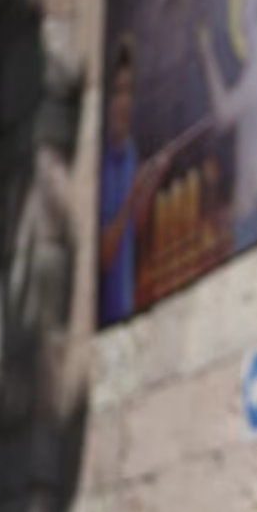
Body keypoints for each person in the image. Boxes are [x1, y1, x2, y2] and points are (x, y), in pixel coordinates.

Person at [197, 0, 257, 252]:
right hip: (246, 216)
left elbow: (223, 114)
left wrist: (206, 53)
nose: (245, 0)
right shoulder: (255, 61)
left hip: (256, 213)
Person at [98, 38, 167, 327]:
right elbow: (104, 255)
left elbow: (134, 227)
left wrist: (152, 181)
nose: (124, 103)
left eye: (128, 91)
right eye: (117, 92)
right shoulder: (98, 164)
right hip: (104, 316)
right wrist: (131, 194)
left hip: (125, 308)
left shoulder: (130, 152)